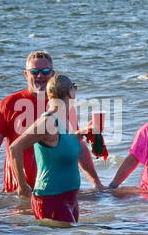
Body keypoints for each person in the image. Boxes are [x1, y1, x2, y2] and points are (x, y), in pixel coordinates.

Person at [0, 51, 98, 195]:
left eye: (45, 71)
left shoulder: (63, 106)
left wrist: (96, 183)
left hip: (54, 189)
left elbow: (76, 145)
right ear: (26, 74)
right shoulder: (9, 103)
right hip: (18, 191)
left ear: (52, 74)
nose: (40, 75)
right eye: (34, 72)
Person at [10, 74, 103, 225]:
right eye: (74, 88)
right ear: (68, 93)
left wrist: (83, 132)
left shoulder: (61, 120)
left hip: (69, 197)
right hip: (50, 198)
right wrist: (22, 185)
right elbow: (15, 147)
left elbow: (59, 144)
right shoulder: (47, 121)